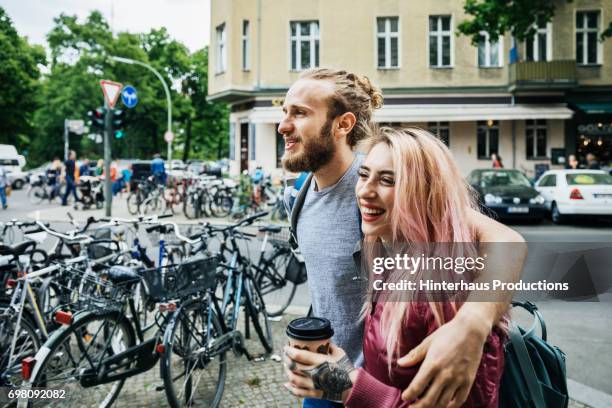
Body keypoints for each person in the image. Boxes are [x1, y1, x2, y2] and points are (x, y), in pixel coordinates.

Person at [278, 68, 525, 408]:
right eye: (285, 112)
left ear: (343, 125)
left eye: (300, 113)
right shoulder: (300, 195)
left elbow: (505, 240)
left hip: (379, 386)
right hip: (328, 381)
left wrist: (473, 321)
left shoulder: (385, 180)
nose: (283, 125)